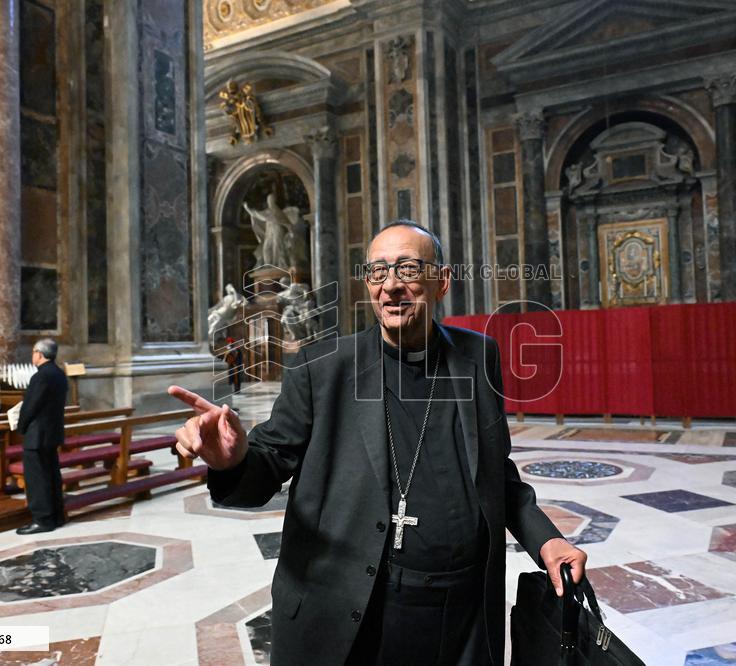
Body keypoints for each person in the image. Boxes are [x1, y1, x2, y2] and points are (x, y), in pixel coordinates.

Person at [168, 221, 587, 665]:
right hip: (355, 617)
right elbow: (268, 463)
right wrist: (232, 461)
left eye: (408, 269)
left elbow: (495, 472)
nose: (390, 286)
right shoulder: (322, 368)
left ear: (442, 281)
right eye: (377, 271)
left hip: (461, 617)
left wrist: (545, 539)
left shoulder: (478, 356)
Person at [15, 338, 69, 535]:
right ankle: (56, 517)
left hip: (37, 436)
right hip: (52, 433)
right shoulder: (59, 374)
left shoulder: (41, 376)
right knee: (52, 475)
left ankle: (42, 520)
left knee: (37, 479)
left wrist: (20, 426)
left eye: (33, 352)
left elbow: (31, 407)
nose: (33, 356)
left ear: (39, 353)